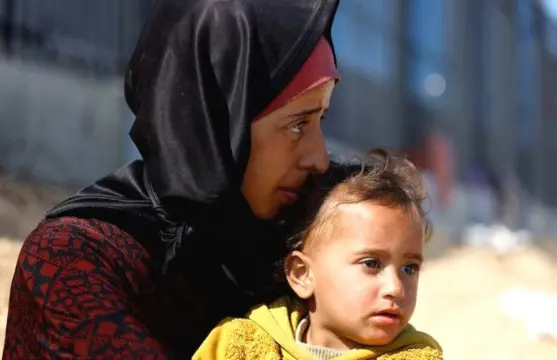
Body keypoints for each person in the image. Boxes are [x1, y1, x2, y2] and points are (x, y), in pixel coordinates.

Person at [2, 0, 341, 358]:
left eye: (321, 120)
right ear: (216, 120)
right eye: (296, 124)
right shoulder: (76, 259)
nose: (319, 159)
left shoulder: (308, 245)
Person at [193, 150, 443, 360]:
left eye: (409, 268)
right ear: (302, 275)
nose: (396, 288)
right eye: (372, 263)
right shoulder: (240, 346)